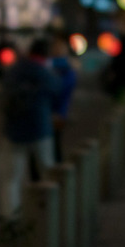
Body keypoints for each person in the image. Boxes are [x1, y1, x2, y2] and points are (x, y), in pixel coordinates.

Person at [0, 39, 62, 217]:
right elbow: (57, 88)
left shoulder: (15, 69)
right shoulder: (43, 71)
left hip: (14, 128)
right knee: (47, 171)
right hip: (39, 127)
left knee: (11, 177)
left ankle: (10, 216)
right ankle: (51, 212)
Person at [47, 34, 79, 163]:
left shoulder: (64, 68)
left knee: (54, 144)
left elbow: (65, 91)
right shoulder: (50, 65)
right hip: (50, 111)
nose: (58, 50)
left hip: (56, 111)